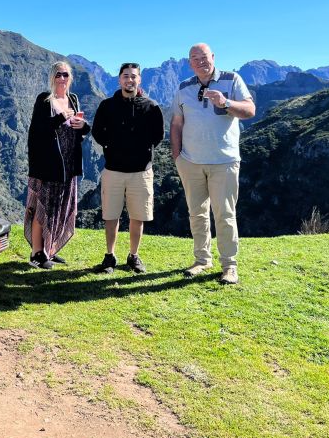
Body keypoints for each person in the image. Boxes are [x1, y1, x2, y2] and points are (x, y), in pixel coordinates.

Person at [170, 43, 256, 285]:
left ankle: (229, 266)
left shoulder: (232, 80)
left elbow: (250, 110)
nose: (200, 61)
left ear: (213, 57)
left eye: (204, 57)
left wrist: (226, 103)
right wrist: (177, 157)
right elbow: (176, 123)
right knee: (196, 213)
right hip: (191, 163)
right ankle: (202, 260)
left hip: (224, 162)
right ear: (190, 63)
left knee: (225, 214)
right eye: (195, 58)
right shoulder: (184, 88)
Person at [91, 62, 164, 274]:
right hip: (113, 169)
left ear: (139, 79)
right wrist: (110, 145)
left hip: (141, 171)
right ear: (119, 79)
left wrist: (142, 150)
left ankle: (133, 256)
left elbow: (158, 135)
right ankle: (109, 256)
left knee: (137, 215)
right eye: (125, 76)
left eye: (133, 76)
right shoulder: (107, 106)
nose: (129, 80)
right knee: (111, 215)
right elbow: (97, 131)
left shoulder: (151, 107)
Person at [25, 60, 91, 269]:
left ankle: (50, 250)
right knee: (43, 207)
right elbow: (37, 131)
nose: (62, 78)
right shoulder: (45, 100)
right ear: (52, 77)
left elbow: (80, 131)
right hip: (49, 164)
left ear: (70, 77)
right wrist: (61, 117)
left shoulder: (73, 99)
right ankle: (37, 253)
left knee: (61, 207)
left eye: (65, 74)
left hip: (68, 164)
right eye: (58, 75)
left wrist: (83, 126)